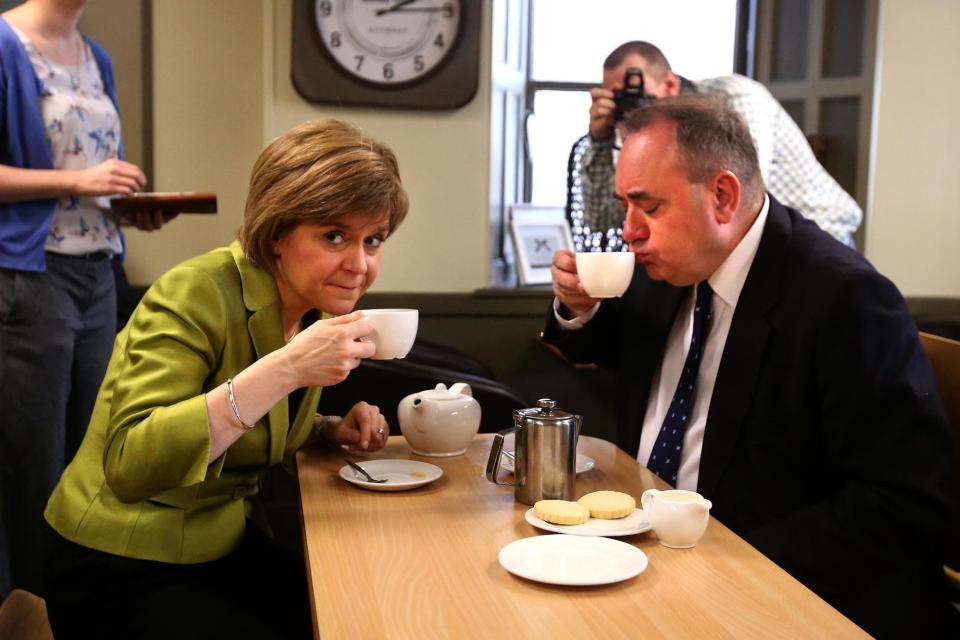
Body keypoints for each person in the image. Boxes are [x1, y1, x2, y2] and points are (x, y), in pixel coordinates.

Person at [544, 95, 958, 637]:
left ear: (722, 195)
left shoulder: (845, 300)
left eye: (648, 206)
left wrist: (717, 560)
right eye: (625, 206)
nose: (629, 231)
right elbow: (617, 345)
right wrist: (579, 309)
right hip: (646, 554)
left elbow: (907, 505)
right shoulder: (674, 262)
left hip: (787, 597)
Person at [40, 117, 408, 639]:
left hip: (218, 544)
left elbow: (253, 420)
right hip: (118, 561)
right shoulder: (194, 291)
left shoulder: (315, 311)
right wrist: (286, 368)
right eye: (334, 236)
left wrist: (328, 428)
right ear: (276, 232)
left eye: (373, 240)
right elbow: (130, 461)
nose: (359, 264)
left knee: (358, 613)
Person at [0, 0, 175, 597]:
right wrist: (79, 181)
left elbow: (95, 182)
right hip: (31, 276)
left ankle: (80, 605)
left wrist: (129, 209)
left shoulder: (95, 55)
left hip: (100, 272)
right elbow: (77, 176)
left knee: (94, 452)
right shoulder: (4, 44)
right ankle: (28, 611)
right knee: (34, 462)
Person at [567, 40, 862, 251]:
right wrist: (602, 143)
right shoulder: (638, 131)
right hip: (744, 247)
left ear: (670, 85)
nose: (631, 107)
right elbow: (600, 220)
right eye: (617, 97)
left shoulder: (735, 98)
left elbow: (744, 199)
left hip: (818, 235)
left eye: (636, 92)